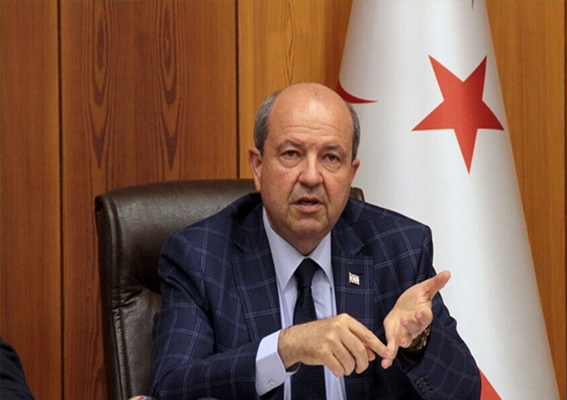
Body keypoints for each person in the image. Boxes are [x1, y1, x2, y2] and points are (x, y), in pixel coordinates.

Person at [150, 83, 481, 399]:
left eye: (331, 158)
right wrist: (286, 347)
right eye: (292, 154)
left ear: (351, 173)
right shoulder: (200, 256)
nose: (311, 176)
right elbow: (172, 387)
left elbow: (466, 393)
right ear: (258, 166)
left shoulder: (399, 250)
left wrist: (418, 344)